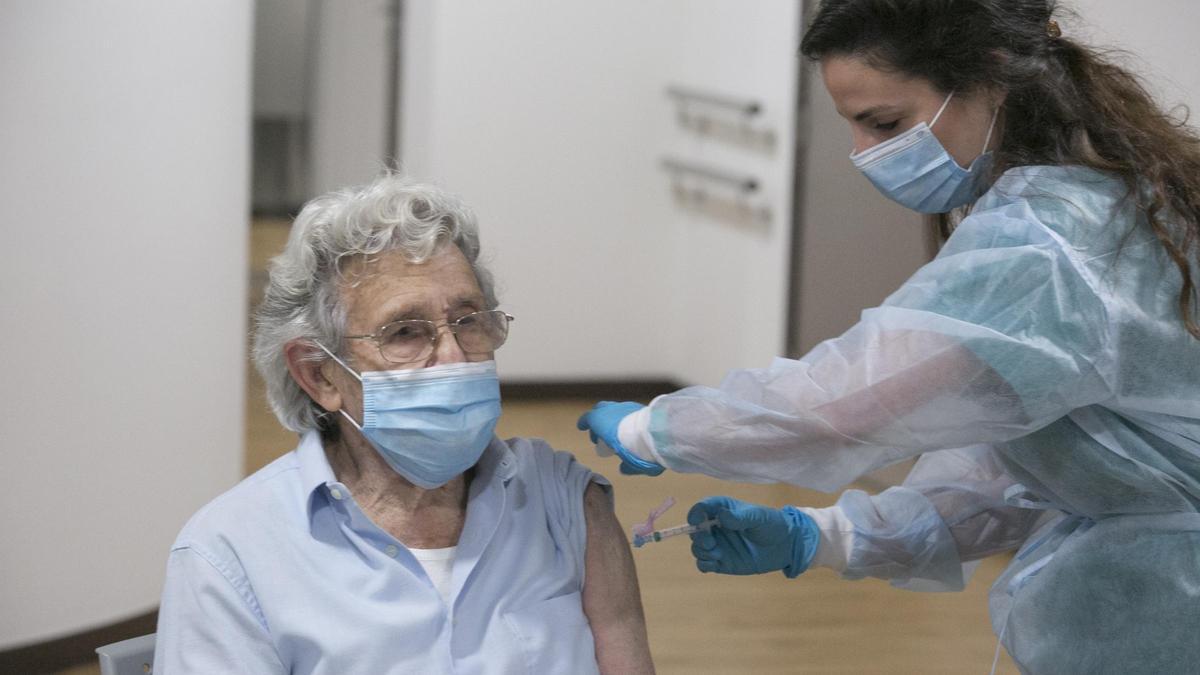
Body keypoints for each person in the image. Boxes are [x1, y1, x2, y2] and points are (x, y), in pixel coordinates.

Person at [578, 1, 1200, 672]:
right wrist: (819, 536)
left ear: (992, 75)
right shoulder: (1111, 197)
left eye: (885, 123)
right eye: (852, 126)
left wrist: (655, 429)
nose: (863, 155)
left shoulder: (1052, 245)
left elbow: (843, 403)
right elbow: (1016, 475)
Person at [155, 174, 654, 674]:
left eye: (468, 320)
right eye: (405, 333)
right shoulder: (229, 556)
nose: (454, 357)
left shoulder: (564, 504)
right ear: (319, 373)